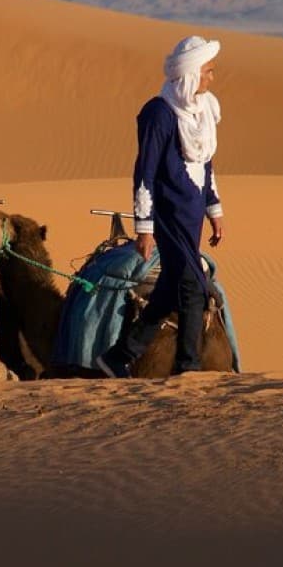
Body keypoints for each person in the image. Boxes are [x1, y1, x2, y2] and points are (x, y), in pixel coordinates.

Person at [95, 35, 225, 378]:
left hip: (192, 216)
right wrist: (144, 227)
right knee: (192, 287)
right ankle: (188, 366)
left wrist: (214, 211)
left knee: (168, 290)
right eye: (208, 71)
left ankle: (118, 357)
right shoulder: (159, 113)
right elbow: (145, 172)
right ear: (191, 74)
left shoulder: (204, 110)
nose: (212, 78)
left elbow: (206, 163)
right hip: (168, 216)